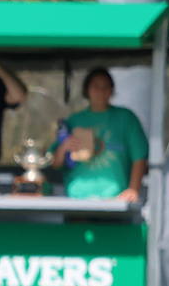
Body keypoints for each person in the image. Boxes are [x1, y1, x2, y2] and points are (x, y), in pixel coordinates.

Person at [52, 67, 149, 202]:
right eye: (96, 86)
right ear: (87, 90)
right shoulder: (74, 120)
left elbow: (139, 157)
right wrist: (63, 148)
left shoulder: (126, 118)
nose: (100, 91)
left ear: (112, 90)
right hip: (77, 198)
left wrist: (133, 189)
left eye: (105, 87)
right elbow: (55, 163)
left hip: (116, 198)